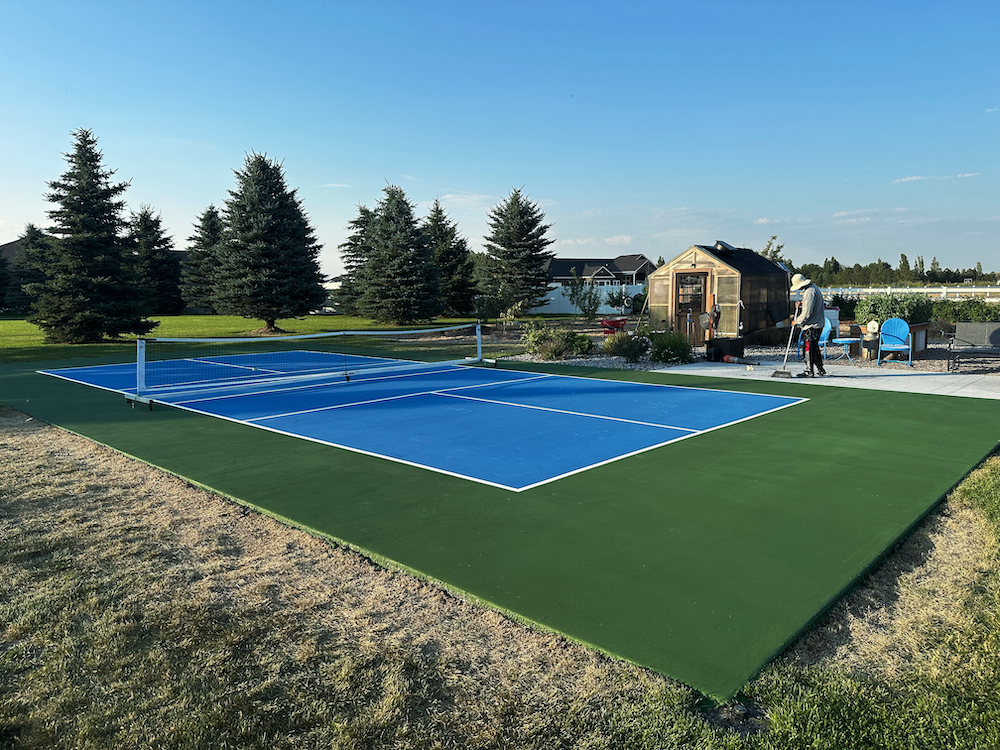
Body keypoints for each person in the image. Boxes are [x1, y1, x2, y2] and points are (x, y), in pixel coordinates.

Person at [790, 273, 827, 377]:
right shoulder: (814, 288)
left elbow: (807, 313)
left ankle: (809, 370)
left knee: (808, 348)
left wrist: (797, 321)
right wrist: (802, 303)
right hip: (818, 323)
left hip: (812, 325)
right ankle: (820, 368)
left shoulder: (809, 292)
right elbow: (810, 304)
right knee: (814, 347)